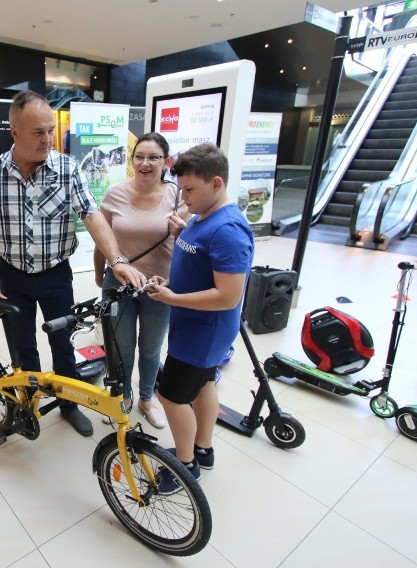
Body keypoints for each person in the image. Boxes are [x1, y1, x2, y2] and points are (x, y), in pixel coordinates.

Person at [0, 90, 146, 437]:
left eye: (50, 130)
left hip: (55, 275)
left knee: (63, 343)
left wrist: (117, 260)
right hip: (13, 275)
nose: (48, 138)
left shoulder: (67, 169)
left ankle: (68, 405)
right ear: (14, 131)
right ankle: (29, 403)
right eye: (38, 132)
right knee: (23, 343)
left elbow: (92, 216)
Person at [147, 143, 254, 490]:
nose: (184, 197)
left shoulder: (228, 230)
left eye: (190, 190)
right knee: (204, 385)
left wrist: (174, 297)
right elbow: (200, 262)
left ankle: (185, 464)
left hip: (203, 332)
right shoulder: (203, 217)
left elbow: (228, 295)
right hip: (193, 326)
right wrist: (182, 235)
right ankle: (203, 449)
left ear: (216, 183)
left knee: (171, 395)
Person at [92, 132, 189, 429]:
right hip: (118, 284)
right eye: (139, 157)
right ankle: (124, 394)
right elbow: (102, 238)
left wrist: (182, 233)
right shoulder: (115, 193)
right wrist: (100, 274)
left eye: (153, 157)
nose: (145, 163)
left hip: (159, 286)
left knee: (150, 347)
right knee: (121, 346)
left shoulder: (178, 196)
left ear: (166, 162)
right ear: (132, 160)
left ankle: (147, 397)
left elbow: (191, 247)